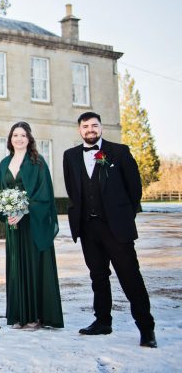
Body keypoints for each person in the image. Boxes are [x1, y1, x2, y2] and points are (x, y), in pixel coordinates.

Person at [63, 111, 156, 348]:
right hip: (88, 228)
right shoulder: (70, 156)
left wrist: (123, 215)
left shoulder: (120, 152)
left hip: (116, 228)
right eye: (85, 126)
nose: (90, 130)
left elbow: (134, 189)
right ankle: (103, 321)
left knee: (130, 277)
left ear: (101, 128)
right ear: (79, 130)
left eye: (94, 125)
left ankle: (146, 329)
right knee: (98, 277)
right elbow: (73, 190)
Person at [0, 122, 63, 329]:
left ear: (29, 139)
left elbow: (44, 196)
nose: (19, 138)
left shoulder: (38, 162)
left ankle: (34, 316)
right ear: (10, 139)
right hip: (14, 226)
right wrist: (7, 212)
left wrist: (23, 211)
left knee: (33, 267)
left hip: (34, 224)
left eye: (23, 135)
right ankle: (18, 315)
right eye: (15, 135)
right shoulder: (5, 163)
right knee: (16, 267)